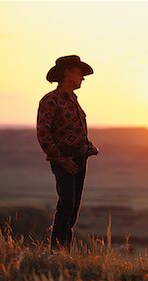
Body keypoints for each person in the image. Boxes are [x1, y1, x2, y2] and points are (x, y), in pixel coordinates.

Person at [37, 55, 99, 251]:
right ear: (67, 73)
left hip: (79, 159)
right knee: (66, 204)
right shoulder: (51, 100)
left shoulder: (73, 100)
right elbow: (44, 133)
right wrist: (62, 159)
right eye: (79, 73)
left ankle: (64, 250)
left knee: (73, 207)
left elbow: (74, 130)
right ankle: (56, 250)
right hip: (65, 160)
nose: (82, 77)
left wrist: (88, 147)